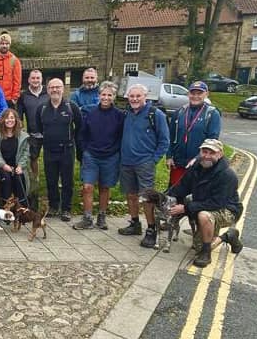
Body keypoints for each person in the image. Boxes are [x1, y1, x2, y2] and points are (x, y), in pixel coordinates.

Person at [168, 139, 243, 267]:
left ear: (220, 154)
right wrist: (166, 197)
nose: (207, 156)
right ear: (200, 152)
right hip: (204, 203)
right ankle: (205, 238)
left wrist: (185, 209)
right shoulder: (196, 167)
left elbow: (216, 203)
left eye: (211, 153)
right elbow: (182, 187)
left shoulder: (227, 175)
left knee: (204, 216)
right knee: (197, 245)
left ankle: (221, 241)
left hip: (227, 209)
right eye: (204, 151)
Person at [117, 83, 170, 248]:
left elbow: (164, 140)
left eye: (138, 96)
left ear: (145, 97)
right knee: (130, 195)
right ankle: (134, 223)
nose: (134, 99)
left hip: (145, 163)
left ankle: (151, 229)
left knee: (147, 198)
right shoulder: (126, 113)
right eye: (131, 96)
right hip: (126, 162)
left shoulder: (156, 114)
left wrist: (153, 160)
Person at [73, 82, 125, 230]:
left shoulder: (119, 115)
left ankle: (102, 217)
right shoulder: (91, 113)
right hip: (91, 156)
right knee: (87, 186)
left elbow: (121, 136)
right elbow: (82, 133)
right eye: (103, 94)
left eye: (109, 95)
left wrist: (115, 150)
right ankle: (87, 218)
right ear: (99, 96)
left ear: (114, 97)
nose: (106, 97)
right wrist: (84, 150)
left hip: (110, 156)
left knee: (104, 187)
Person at [35, 78, 82, 221]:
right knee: (51, 180)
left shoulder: (71, 106)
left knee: (67, 181)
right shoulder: (42, 108)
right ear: (47, 90)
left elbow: (79, 127)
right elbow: (38, 129)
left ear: (63, 89)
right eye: (52, 87)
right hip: (49, 150)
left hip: (67, 150)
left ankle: (66, 209)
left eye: (58, 87)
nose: (55, 90)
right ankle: (54, 206)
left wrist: (78, 147)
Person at [166, 81, 222, 187]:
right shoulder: (179, 112)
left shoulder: (212, 114)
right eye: (193, 93)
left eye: (199, 93)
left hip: (199, 164)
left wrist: (197, 159)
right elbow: (170, 136)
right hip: (178, 164)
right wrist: (169, 156)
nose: (195, 96)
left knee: (194, 198)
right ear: (188, 94)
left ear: (206, 94)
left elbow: (212, 141)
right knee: (175, 196)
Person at [0, 108, 30, 202]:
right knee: (6, 178)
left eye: (12, 118)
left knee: (19, 177)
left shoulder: (23, 136)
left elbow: (25, 153)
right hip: (1, 166)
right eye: (7, 118)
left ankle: (21, 206)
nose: (10, 120)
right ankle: (6, 204)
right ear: (3, 120)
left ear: (16, 120)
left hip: (17, 165)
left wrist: (20, 166)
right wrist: (4, 165)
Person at [18, 69, 48, 183]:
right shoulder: (24, 96)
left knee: (51, 157)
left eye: (38, 78)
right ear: (29, 80)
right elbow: (20, 114)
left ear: (41, 79)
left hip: (48, 132)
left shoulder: (48, 93)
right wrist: (21, 127)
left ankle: (54, 177)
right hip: (33, 133)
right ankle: (36, 178)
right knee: (33, 157)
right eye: (33, 78)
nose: (35, 80)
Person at [0, 33, 22, 108]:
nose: (4, 46)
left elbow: (17, 80)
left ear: (9, 45)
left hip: (9, 98)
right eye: (2, 43)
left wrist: (15, 97)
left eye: (7, 43)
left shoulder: (14, 60)